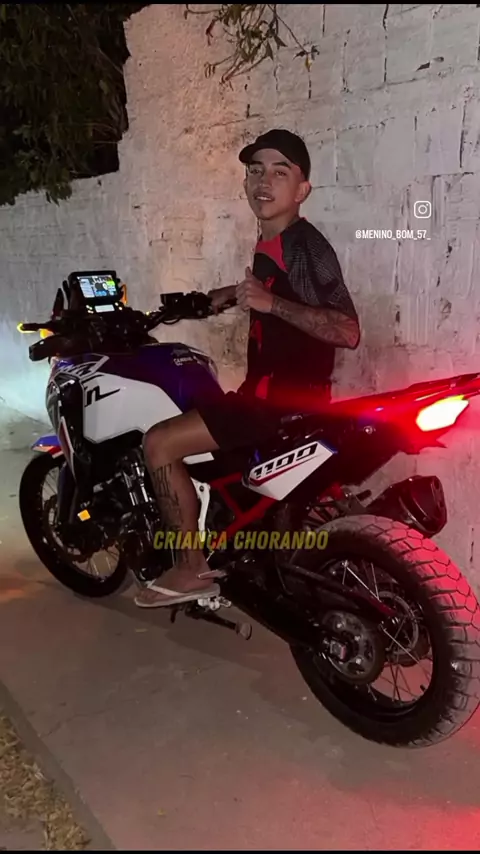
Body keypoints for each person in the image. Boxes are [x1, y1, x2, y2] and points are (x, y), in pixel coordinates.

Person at [135, 128, 360, 608]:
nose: (264, 181)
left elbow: (348, 330)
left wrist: (270, 303)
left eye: (280, 172)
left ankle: (190, 568)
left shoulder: (305, 245)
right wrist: (220, 298)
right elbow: (271, 291)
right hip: (276, 396)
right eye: (256, 170)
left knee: (158, 442)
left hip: (273, 404)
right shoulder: (273, 239)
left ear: (302, 190)